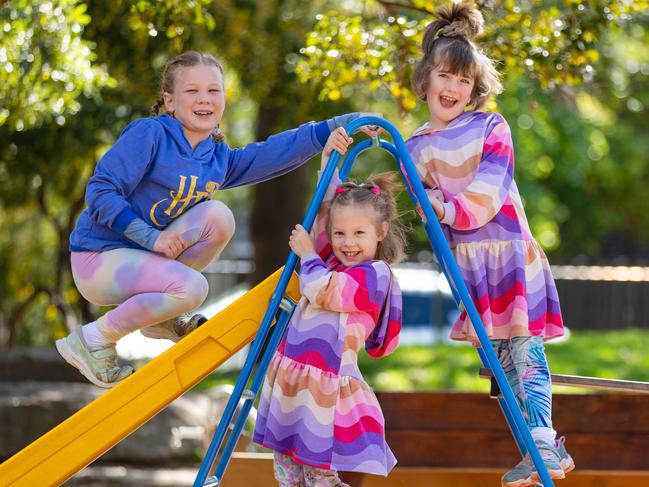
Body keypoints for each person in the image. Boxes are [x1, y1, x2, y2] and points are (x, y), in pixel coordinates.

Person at [56, 50, 380, 389]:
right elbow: (100, 192)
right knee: (194, 287)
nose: (204, 99)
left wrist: (346, 122)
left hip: (141, 262)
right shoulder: (150, 134)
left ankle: (161, 318)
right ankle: (93, 338)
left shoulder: (215, 157)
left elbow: (271, 153)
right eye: (191, 91)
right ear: (169, 100)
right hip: (98, 257)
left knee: (218, 217)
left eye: (213, 91)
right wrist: (152, 237)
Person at [404, 3, 574, 486]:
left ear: (474, 87)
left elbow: (486, 195)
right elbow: (426, 213)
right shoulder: (412, 146)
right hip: (467, 269)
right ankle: (540, 452)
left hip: (509, 255)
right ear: (426, 79)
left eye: (464, 80)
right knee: (500, 368)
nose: (453, 88)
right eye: (444, 75)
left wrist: (442, 206)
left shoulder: (491, 128)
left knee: (524, 349)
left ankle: (542, 437)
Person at [253, 127, 405, 486]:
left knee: (321, 474)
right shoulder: (331, 261)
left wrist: (307, 254)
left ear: (380, 232)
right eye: (340, 234)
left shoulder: (375, 275)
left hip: (325, 384)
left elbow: (324, 291)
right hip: (292, 375)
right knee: (288, 473)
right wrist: (329, 157)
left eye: (358, 233)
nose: (347, 243)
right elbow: (325, 210)